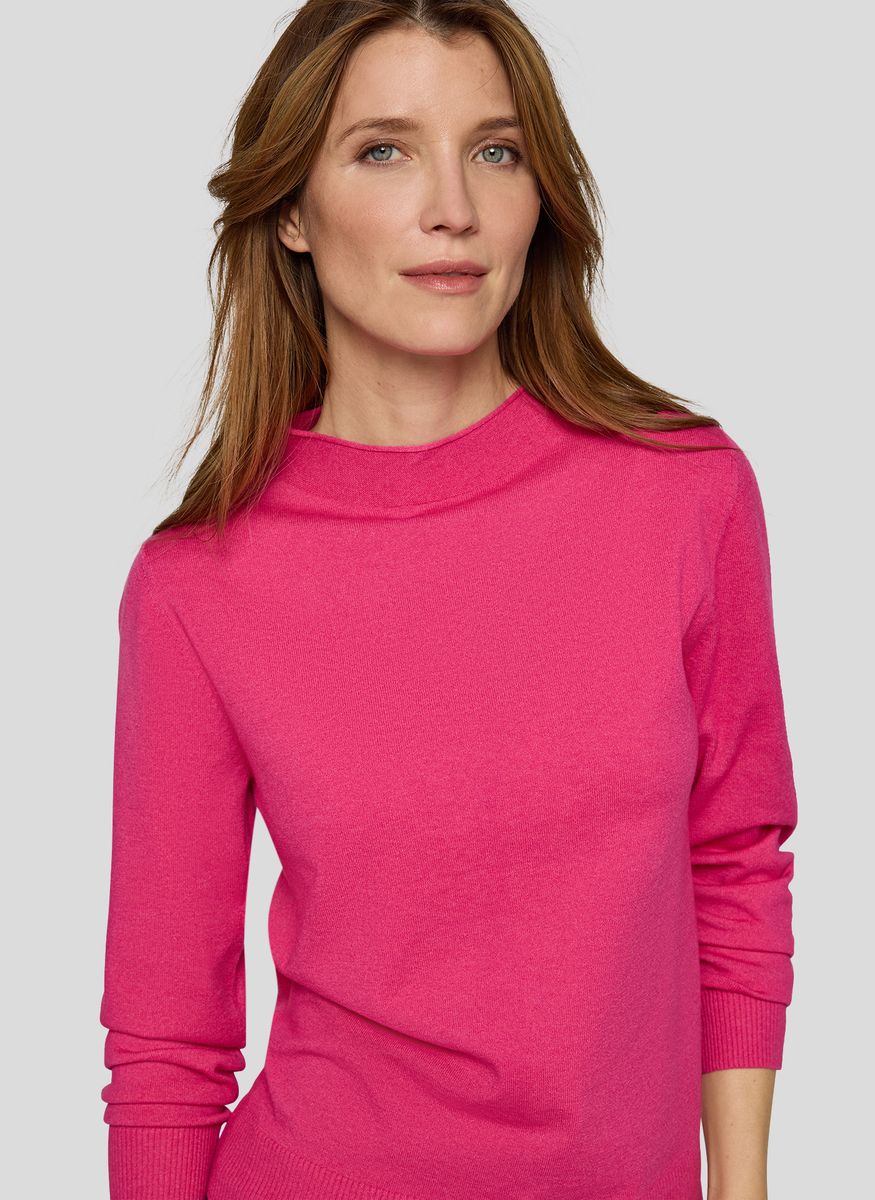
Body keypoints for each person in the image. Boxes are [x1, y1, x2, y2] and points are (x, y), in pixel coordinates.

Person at [98, 3, 798, 1199]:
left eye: (495, 150)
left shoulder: (683, 491)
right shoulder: (198, 583)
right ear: (290, 212)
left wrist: (739, 1187)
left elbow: (733, 859)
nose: (452, 208)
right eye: (383, 149)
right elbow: (167, 1041)